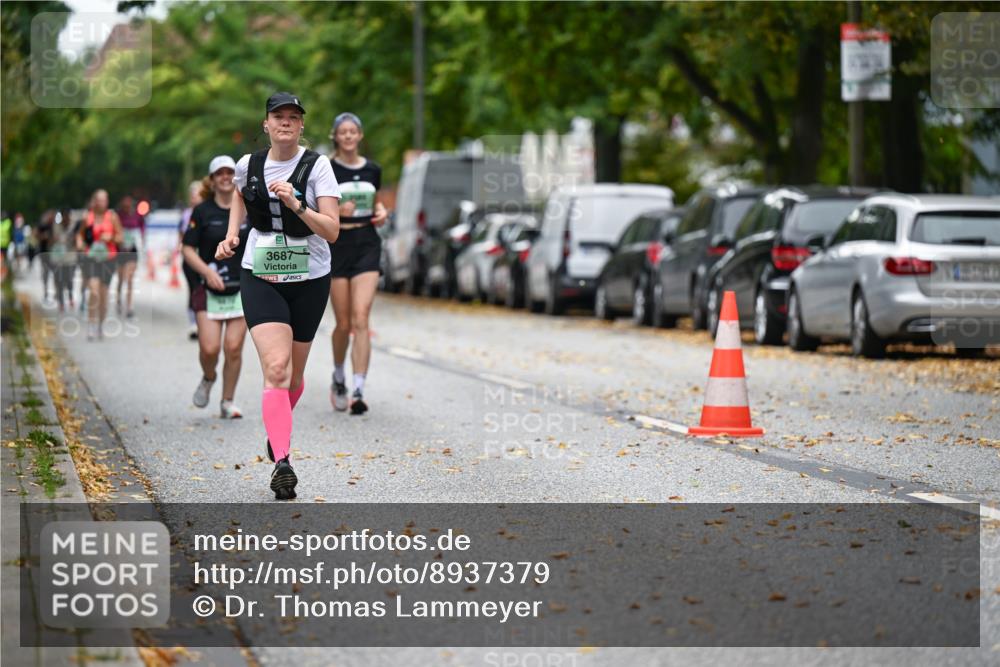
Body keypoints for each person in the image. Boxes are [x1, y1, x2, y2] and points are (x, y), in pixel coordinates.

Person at [216, 92, 340, 500]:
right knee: (276, 366)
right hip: (261, 273)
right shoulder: (247, 165)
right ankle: (282, 462)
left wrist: (297, 204)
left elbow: (332, 230)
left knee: (295, 378)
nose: (285, 122)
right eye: (278, 116)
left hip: (310, 275)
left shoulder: (318, 166)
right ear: (265, 124)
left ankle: (277, 427)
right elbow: (240, 194)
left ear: (302, 125)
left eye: (293, 117)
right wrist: (233, 234)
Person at [326, 112, 388, 415]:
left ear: (360, 136)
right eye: (343, 132)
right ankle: (339, 376)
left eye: (353, 132)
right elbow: (316, 205)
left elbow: (376, 201)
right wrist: (338, 209)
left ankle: (359, 388)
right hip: (338, 245)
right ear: (335, 136)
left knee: (362, 318)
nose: (348, 136)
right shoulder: (326, 168)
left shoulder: (373, 170)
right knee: (344, 323)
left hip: (367, 243)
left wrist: (381, 211)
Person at [183, 156, 250, 419]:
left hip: (242, 287)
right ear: (211, 180)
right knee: (210, 349)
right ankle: (209, 377)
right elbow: (187, 247)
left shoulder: (248, 209)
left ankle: (227, 401)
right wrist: (207, 270)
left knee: (233, 347)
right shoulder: (202, 212)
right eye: (219, 173)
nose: (225, 177)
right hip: (208, 288)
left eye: (230, 172)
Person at [76, 189, 123, 340]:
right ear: (94, 201)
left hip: (108, 258)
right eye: (100, 200)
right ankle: (91, 324)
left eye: (105, 200)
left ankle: (101, 325)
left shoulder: (113, 217)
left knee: (103, 294)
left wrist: (111, 238)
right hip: (92, 257)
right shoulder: (87, 217)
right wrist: (80, 243)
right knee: (94, 289)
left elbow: (120, 237)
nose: (102, 203)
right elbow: (80, 235)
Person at [180, 181, 204, 340]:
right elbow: (182, 236)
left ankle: (204, 323)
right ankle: (193, 323)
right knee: (194, 290)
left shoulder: (209, 211)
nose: (196, 197)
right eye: (194, 194)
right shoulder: (187, 214)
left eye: (199, 194)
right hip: (190, 259)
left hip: (207, 258)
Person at [116, 195, 145, 319]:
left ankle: (129, 306)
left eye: (129, 205)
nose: (127, 207)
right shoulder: (118, 216)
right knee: (121, 278)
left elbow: (142, 229)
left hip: (133, 250)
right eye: (125, 206)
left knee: (130, 279)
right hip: (121, 250)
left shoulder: (138, 216)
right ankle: (118, 299)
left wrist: (140, 240)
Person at [50, 210, 77, 313]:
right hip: (58, 258)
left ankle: (70, 296)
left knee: (69, 280)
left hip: (70, 258)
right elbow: (51, 240)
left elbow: (77, 240)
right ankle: (61, 302)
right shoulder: (56, 226)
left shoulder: (74, 226)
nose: (65, 219)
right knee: (59, 281)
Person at [36, 210, 56, 302]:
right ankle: (46, 292)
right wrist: (44, 236)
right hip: (44, 253)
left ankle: (57, 292)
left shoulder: (55, 227)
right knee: (46, 273)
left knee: (56, 273)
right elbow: (36, 235)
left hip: (54, 254)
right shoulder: (42, 226)